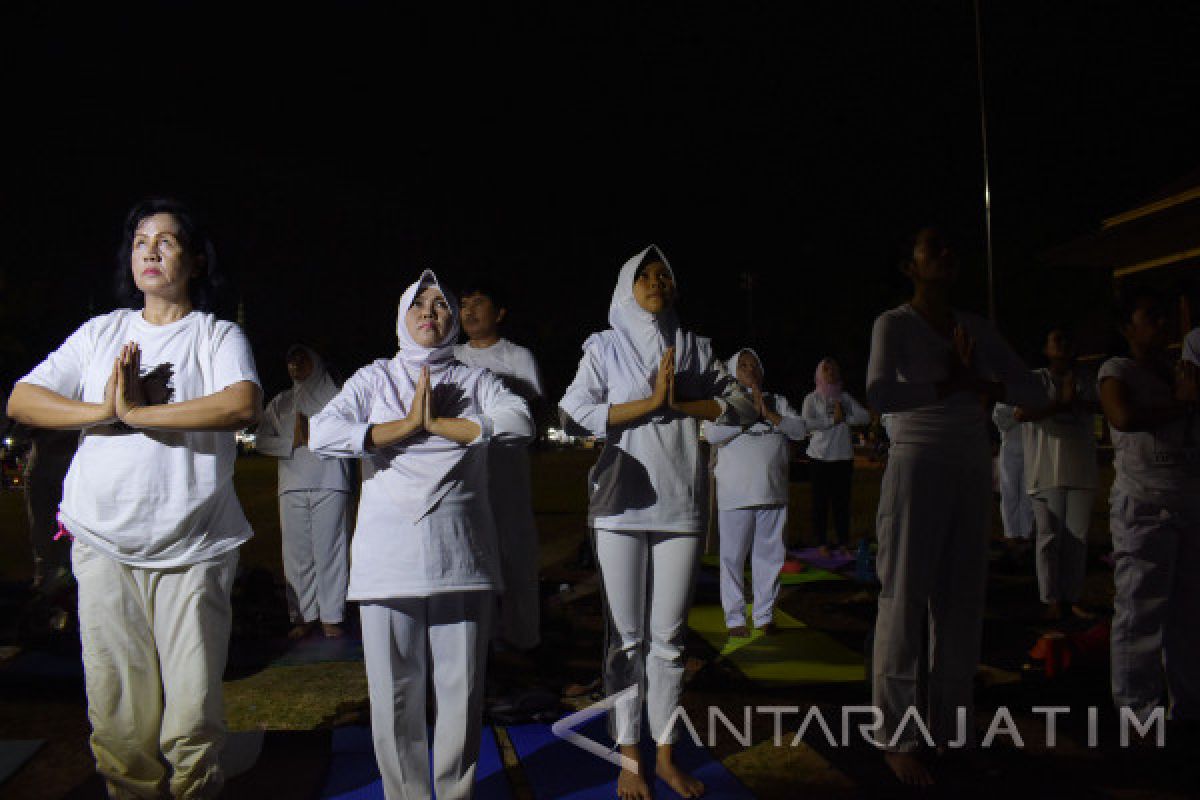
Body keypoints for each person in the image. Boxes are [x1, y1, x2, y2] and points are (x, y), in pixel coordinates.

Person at [6, 197, 261, 798]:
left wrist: (143, 412)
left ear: (195, 261)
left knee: (193, 709)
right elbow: (23, 398)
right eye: (141, 240)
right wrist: (105, 411)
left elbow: (240, 403)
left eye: (166, 241)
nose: (149, 249)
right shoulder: (101, 333)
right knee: (117, 712)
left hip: (194, 544)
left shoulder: (215, 333)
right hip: (102, 543)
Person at [309, 270, 532, 800]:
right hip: (389, 556)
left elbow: (519, 422)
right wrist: (405, 426)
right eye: (420, 305)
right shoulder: (374, 377)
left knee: (461, 691)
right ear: (403, 318)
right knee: (393, 693)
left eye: (440, 306)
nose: (430, 313)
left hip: (461, 552)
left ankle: (455, 793)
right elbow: (323, 433)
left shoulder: (475, 378)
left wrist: (439, 426)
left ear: (453, 320)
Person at [559, 245, 755, 800]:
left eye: (663, 274)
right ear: (626, 284)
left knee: (669, 641)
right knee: (625, 639)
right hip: (619, 506)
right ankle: (629, 758)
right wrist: (647, 405)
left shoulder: (694, 346)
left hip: (681, 504)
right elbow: (573, 413)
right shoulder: (603, 346)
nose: (655, 281)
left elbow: (741, 406)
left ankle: (665, 756)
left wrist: (682, 404)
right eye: (644, 275)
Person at [865, 227, 1041, 787]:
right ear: (908, 266)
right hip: (917, 462)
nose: (943, 254)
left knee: (962, 602)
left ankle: (953, 732)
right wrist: (951, 384)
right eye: (930, 248)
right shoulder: (893, 324)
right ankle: (897, 736)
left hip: (969, 464)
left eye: (948, 248)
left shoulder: (977, 328)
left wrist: (981, 380)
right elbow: (879, 393)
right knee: (904, 599)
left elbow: (1030, 391)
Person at [1097, 287, 1200, 726]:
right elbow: (1122, 417)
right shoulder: (1115, 369)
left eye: (1162, 316)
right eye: (1149, 315)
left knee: (1188, 610)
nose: (1159, 323)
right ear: (1126, 327)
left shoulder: (1174, 370)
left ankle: (1187, 703)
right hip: (1143, 503)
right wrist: (1181, 404)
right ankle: (1136, 709)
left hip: (1186, 499)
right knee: (1140, 609)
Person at [454, 278, 544, 652]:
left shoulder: (518, 357)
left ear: (499, 312)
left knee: (515, 557)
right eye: (463, 304)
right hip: (465, 475)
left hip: (507, 473)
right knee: (472, 556)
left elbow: (528, 417)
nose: (469, 311)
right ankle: (481, 642)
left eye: (478, 302)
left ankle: (524, 640)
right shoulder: (452, 356)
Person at [702, 348, 807, 638]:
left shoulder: (779, 401)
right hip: (735, 495)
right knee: (733, 558)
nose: (749, 369)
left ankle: (764, 614)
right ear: (733, 371)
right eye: (742, 365)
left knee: (770, 558)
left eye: (754, 364)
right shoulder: (725, 403)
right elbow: (711, 434)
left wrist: (769, 414)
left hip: (773, 493)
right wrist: (747, 414)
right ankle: (735, 617)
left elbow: (799, 430)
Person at [256, 345, 355, 639]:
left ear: (316, 361)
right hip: (292, 484)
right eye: (290, 359)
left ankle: (332, 614)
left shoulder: (338, 397)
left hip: (331, 480)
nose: (295, 364)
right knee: (297, 553)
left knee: (330, 550)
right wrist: (290, 441)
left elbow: (351, 431)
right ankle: (302, 614)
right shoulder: (281, 403)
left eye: (302, 357)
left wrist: (317, 434)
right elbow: (262, 440)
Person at [1014, 328, 1098, 621]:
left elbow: (1099, 407)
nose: (1063, 343)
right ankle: (1050, 598)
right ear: (1046, 349)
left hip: (1080, 468)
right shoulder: (1036, 380)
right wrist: (1058, 404)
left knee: (1077, 538)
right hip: (1045, 466)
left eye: (1067, 338)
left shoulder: (1086, 380)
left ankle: (1072, 596)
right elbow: (1021, 413)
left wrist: (1074, 402)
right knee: (1049, 537)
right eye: (1056, 339)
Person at [801, 357, 870, 555]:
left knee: (842, 504)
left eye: (834, 369)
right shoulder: (812, 398)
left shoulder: (845, 398)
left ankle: (842, 543)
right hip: (819, 459)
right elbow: (806, 424)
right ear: (819, 374)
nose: (831, 372)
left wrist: (846, 417)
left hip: (842, 459)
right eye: (826, 369)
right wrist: (832, 420)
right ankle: (821, 542)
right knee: (820, 503)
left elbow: (864, 417)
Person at [992, 401, 1035, 548]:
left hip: (1030, 448)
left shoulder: (1031, 396)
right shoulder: (1004, 401)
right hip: (1010, 447)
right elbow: (1000, 423)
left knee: (1027, 493)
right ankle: (1011, 532)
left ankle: (1025, 532)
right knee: (1009, 492)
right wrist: (1016, 416)